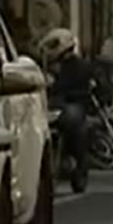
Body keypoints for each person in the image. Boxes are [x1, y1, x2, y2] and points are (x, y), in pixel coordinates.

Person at [38, 28, 94, 181]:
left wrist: (55, 86)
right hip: (53, 105)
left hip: (73, 105)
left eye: (53, 45)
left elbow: (76, 87)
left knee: (74, 121)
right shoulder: (47, 66)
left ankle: (78, 163)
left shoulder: (79, 66)